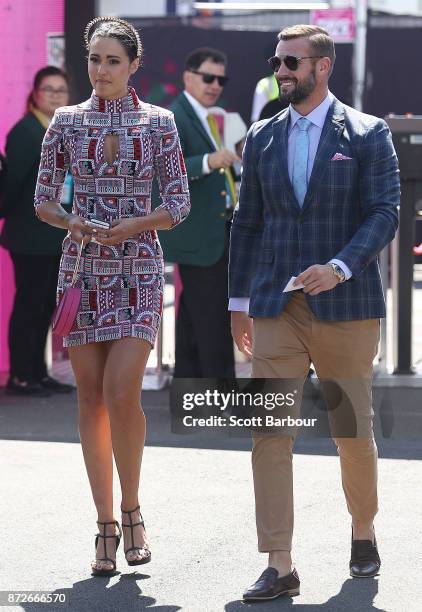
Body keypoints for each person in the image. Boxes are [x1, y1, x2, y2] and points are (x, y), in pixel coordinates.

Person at [229, 25, 400, 601]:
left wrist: (341, 266)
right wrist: (238, 304)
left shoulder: (368, 133)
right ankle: (279, 564)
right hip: (277, 306)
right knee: (268, 432)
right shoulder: (263, 135)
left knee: (350, 430)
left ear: (321, 67)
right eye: (277, 61)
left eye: (291, 62)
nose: (281, 70)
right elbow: (247, 223)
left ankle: (363, 531)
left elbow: (384, 213)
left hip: (346, 305)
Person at [34, 17, 190, 576]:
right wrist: (70, 220)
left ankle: (132, 508)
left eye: (112, 61)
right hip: (81, 270)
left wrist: (132, 226)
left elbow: (178, 203)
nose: (101, 71)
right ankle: (104, 524)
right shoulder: (67, 122)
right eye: (94, 60)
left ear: (133, 66)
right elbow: (42, 201)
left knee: (124, 389)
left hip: (139, 267)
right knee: (90, 399)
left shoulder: (160, 123)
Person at [157, 47, 239, 378]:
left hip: (210, 232)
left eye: (221, 79)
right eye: (208, 77)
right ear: (188, 76)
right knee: (212, 316)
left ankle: (188, 383)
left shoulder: (204, 115)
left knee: (195, 312)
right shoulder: (174, 117)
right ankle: (223, 391)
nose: (215, 85)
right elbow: (164, 169)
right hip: (199, 233)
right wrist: (209, 161)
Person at [0, 66, 74, 396]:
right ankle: (20, 375)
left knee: (45, 305)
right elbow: (12, 186)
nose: (56, 95)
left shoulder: (61, 129)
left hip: (54, 236)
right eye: (49, 89)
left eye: (62, 90)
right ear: (35, 93)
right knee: (30, 305)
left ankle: (38, 372)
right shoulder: (26, 132)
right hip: (29, 237)